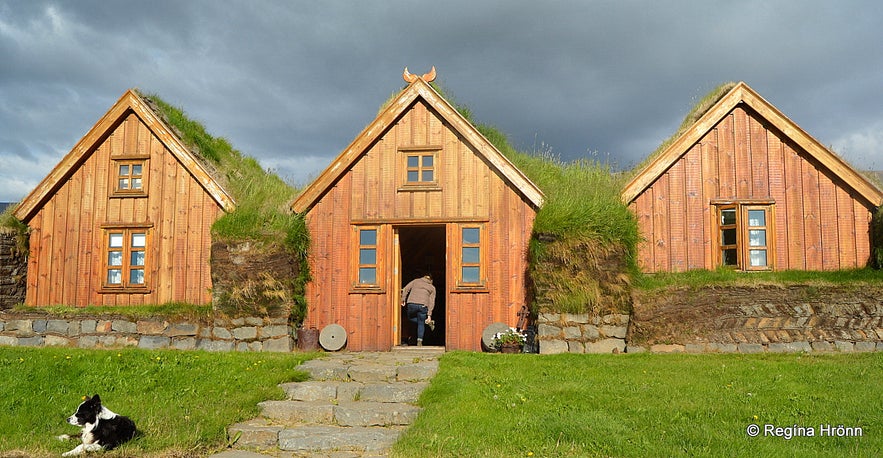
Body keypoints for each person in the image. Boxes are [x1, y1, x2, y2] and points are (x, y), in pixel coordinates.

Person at [401, 273, 436, 346]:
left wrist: (403, 299)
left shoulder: (415, 281)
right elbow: (431, 302)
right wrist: (429, 315)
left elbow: (405, 289)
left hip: (412, 304)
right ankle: (419, 341)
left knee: (410, 318)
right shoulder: (432, 287)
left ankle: (424, 323)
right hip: (423, 306)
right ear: (431, 280)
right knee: (421, 323)